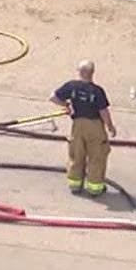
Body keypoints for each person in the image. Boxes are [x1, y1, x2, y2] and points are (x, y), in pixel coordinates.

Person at [51, 60, 116, 196]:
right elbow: (103, 111)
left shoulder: (71, 86)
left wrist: (67, 106)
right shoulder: (97, 91)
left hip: (77, 125)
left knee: (76, 154)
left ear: (78, 71)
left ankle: (75, 185)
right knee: (97, 156)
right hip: (95, 126)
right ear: (92, 73)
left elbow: (53, 97)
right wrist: (110, 127)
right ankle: (95, 188)